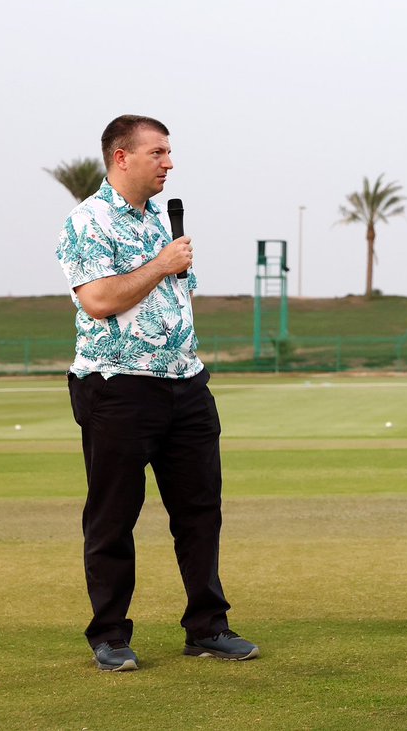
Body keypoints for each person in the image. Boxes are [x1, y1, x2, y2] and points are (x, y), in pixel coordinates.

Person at [56, 115, 258, 671]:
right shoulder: (88, 221)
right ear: (122, 157)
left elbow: (173, 301)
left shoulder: (160, 222)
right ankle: (111, 636)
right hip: (117, 388)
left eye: (169, 153)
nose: (169, 162)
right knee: (113, 515)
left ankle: (207, 627)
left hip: (186, 386)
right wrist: (162, 264)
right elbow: (98, 300)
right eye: (159, 152)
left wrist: (168, 266)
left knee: (200, 512)